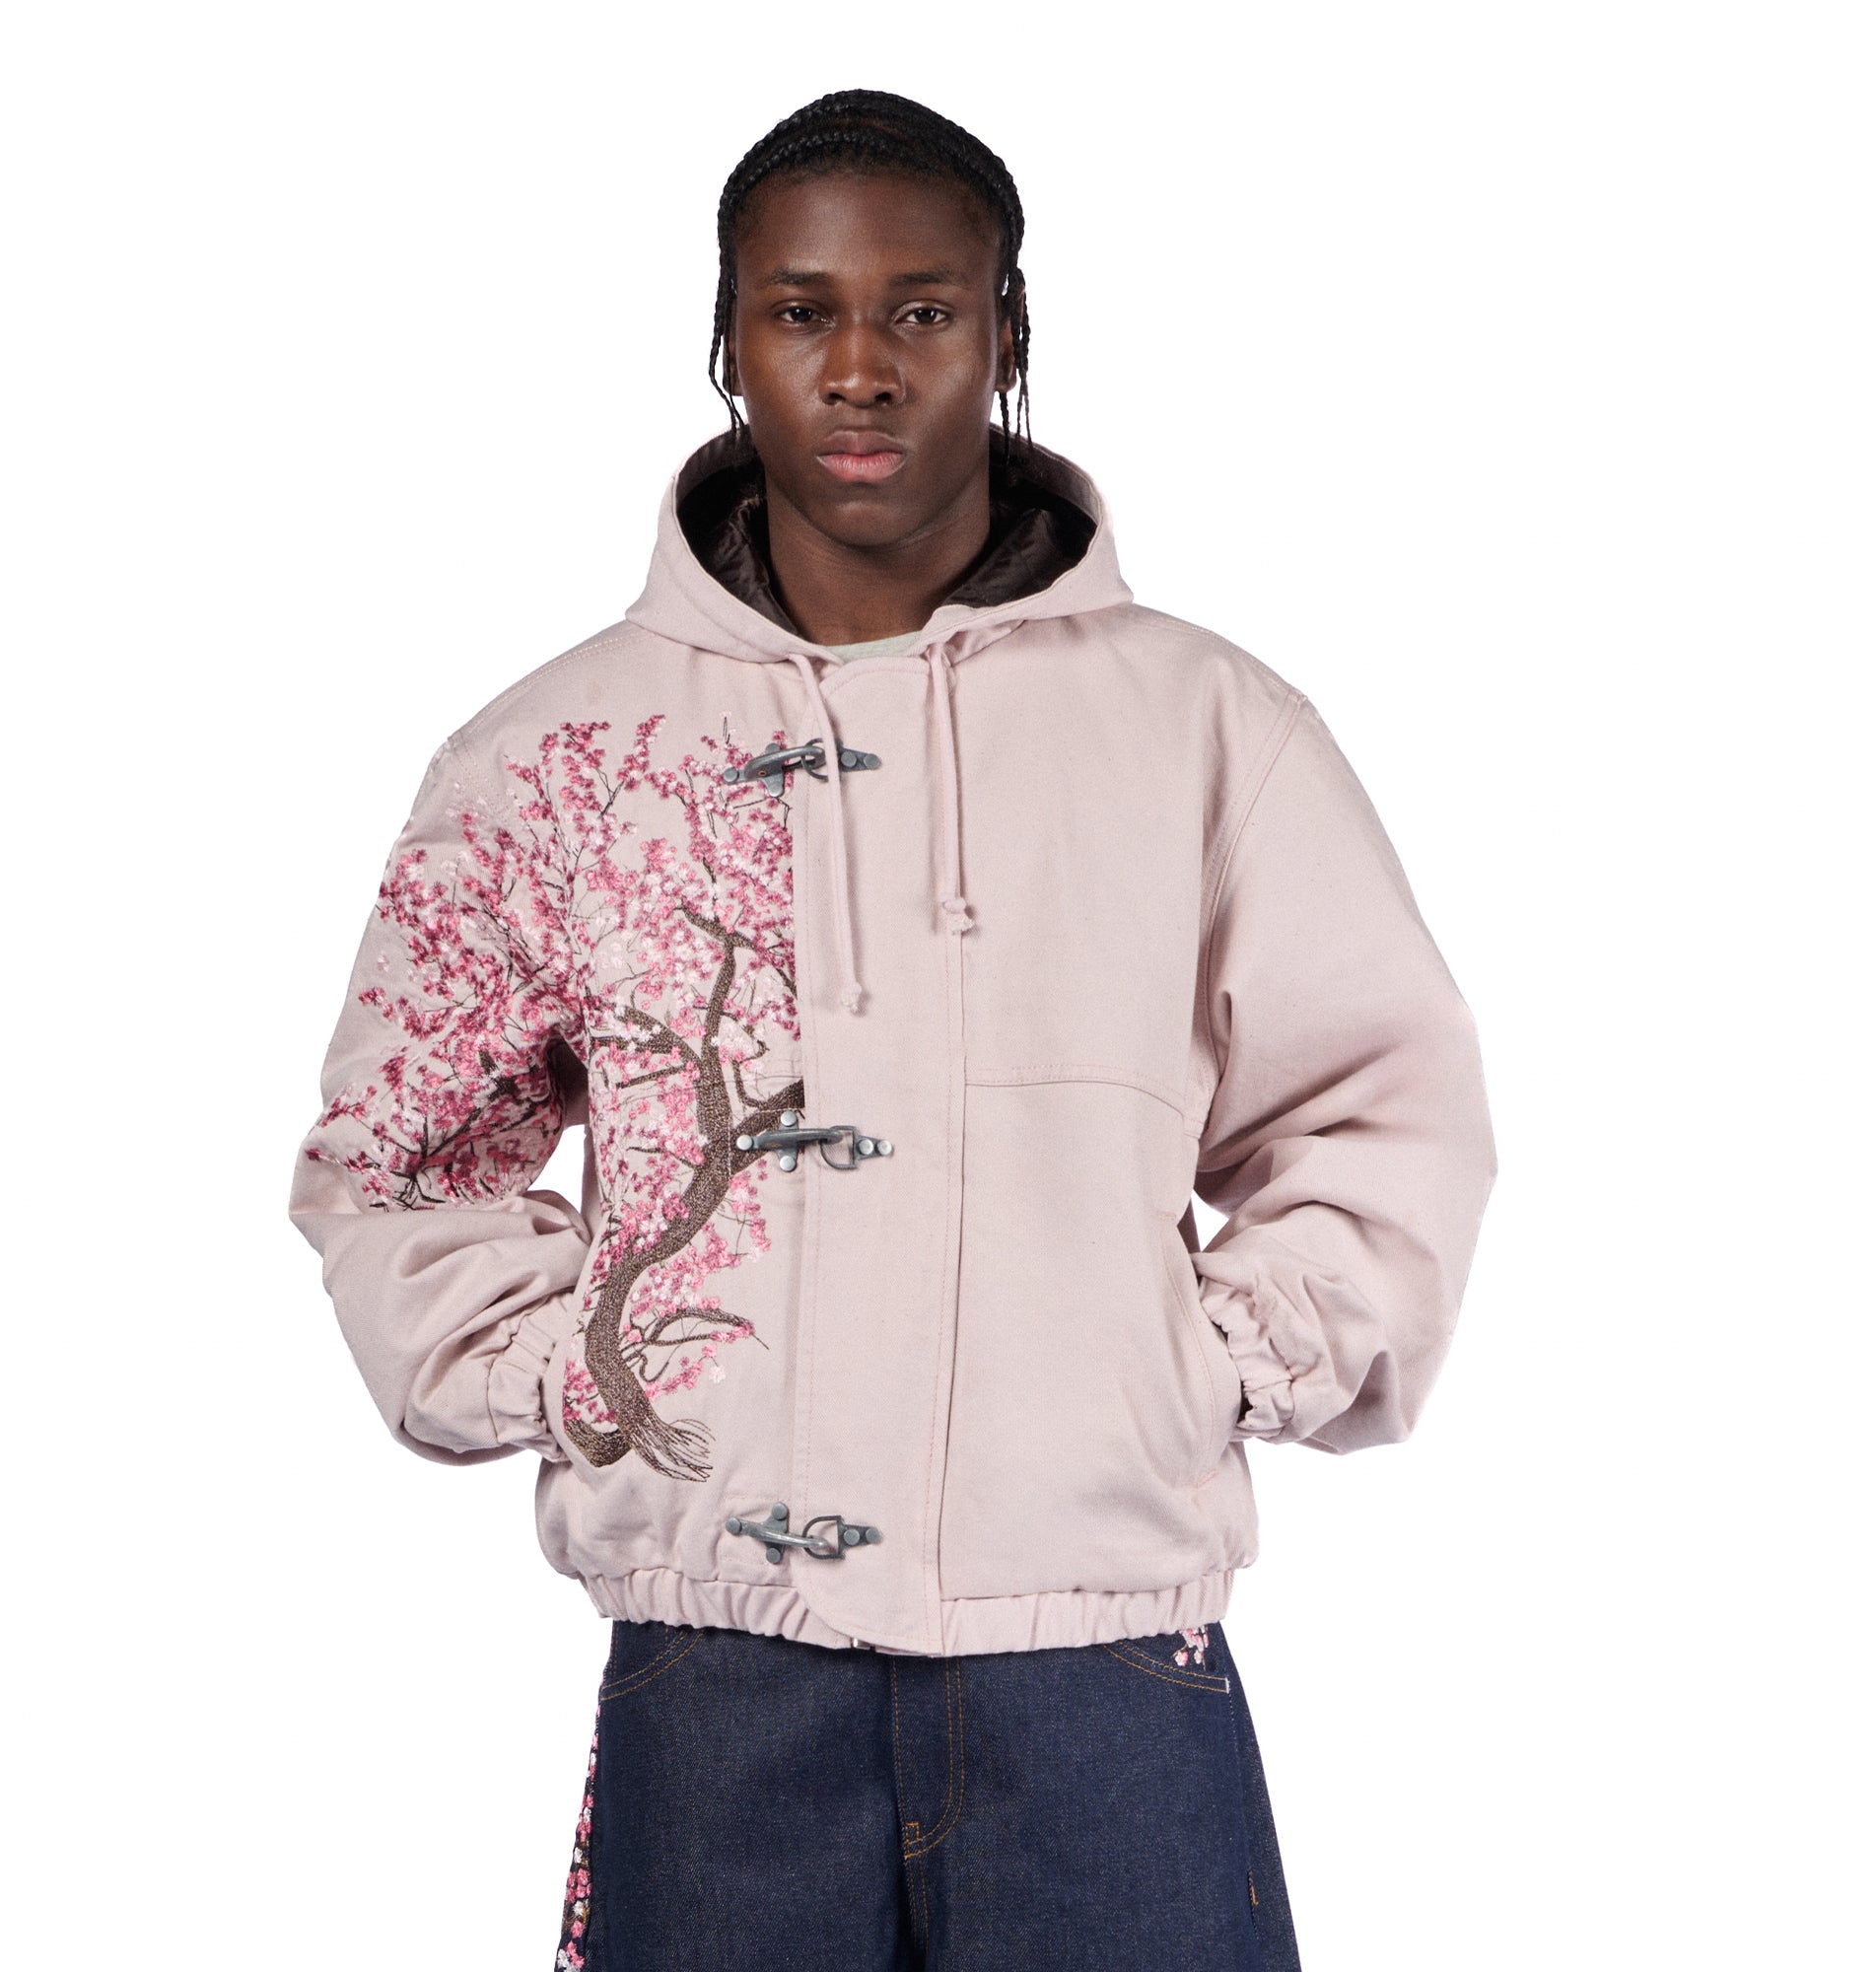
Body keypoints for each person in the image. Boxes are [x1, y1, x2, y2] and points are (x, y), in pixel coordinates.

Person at [288, 88, 1495, 1971]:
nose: (860, 366)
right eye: (802, 310)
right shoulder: (557, 754)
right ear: (727, 337)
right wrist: (578, 1377)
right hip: (717, 1672)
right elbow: (403, 1160)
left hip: (1104, 1659)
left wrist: (1205, 1365)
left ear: (1008, 333)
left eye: (923, 311)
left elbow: (1379, 1111)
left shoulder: (1208, 727)